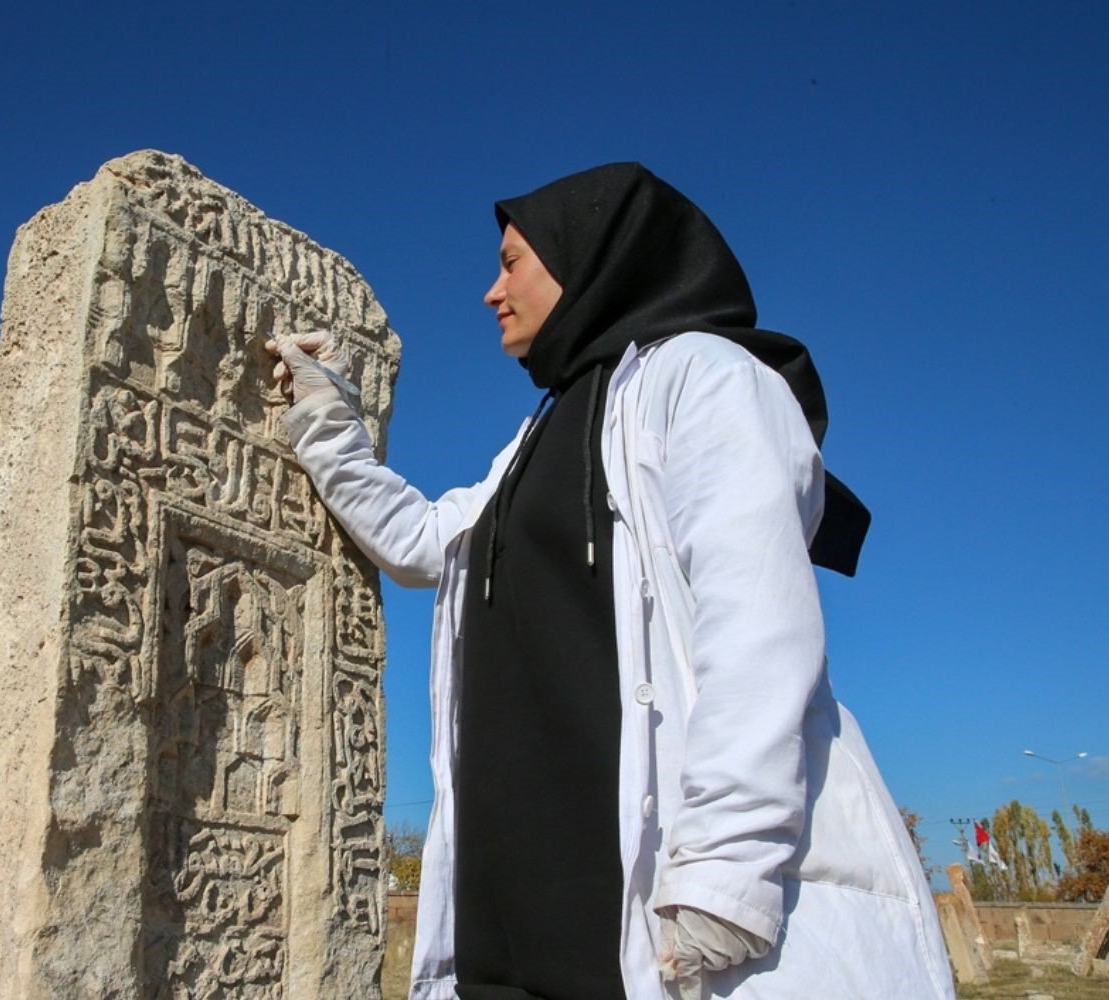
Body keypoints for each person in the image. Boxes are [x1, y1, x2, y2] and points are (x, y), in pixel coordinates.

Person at [267, 164, 954, 1000]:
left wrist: (723, 878)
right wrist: (325, 414)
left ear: (586, 256)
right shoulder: (530, 447)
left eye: (511, 261)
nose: (491, 291)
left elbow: (758, 627)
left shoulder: (704, 378)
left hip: (651, 923)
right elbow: (420, 541)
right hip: (510, 924)